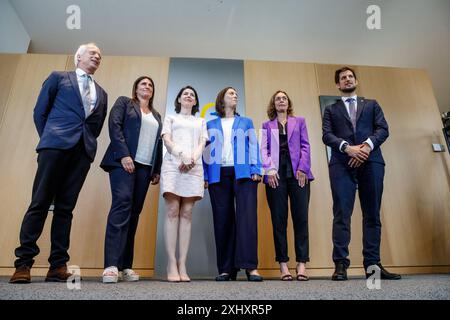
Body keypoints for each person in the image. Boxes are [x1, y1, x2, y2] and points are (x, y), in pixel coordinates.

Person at [10, 43, 108, 283]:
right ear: (79, 57)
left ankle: (57, 265)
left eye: (100, 55)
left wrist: (86, 146)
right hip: (54, 147)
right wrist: (50, 139)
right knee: (40, 203)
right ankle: (23, 264)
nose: (97, 56)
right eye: (92, 52)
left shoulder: (103, 93)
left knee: (65, 209)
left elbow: (96, 126)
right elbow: (39, 112)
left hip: (82, 153)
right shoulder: (58, 77)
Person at [322, 66, 401, 281]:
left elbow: (383, 129)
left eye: (350, 77)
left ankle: (372, 267)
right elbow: (327, 135)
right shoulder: (330, 109)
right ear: (338, 85)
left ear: (355, 81)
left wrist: (365, 147)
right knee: (341, 215)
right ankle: (340, 266)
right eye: (343, 78)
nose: (347, 80)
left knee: (372, 215)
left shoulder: (372, 105)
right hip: (341, 164)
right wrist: (348, 148)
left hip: (371, 162)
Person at [100, 76, 162, 283]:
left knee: (134, 213)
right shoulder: (124, 103)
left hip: (145, 167)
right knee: (122, 205)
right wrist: (124, 154)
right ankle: (111, 265)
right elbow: (114, 126)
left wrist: (156, 169)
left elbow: (157, 144)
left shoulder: (156, 115)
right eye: (143, 83)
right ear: (135, 88)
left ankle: (125, 265)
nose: (147, 86)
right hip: (123, 162)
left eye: (150, 85)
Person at [203, 87, 263, 282]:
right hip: (218, 175)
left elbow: (253, 145)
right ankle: (226, 269)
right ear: (221, 99)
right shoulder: (210, 123)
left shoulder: (246, 122)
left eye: (236, 94)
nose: (235, 96)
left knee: (247, 220)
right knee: (222, 220)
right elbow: (205, 151)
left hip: (244, 173)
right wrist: (205, 175)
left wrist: (256, 169)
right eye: (231, 93)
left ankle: (250, 267)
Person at [261, 90, 314, 281]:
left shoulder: (299, 121)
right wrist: (269, 170)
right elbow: (263, 150)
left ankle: (301, 264)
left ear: (288, 102)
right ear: (273, 104)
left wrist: (303, 169)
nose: (281, 100)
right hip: (276, 176)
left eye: (284, 98)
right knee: (279, 220)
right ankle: (283, 265)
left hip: (298, 174)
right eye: (277, 99)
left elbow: (306, 146)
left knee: (301, 219)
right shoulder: (266, 125)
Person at [160, 86, 207, 282]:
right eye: (185, 93)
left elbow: (202, 143)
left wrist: (192, 159)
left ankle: (182, 263)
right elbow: (167, 140)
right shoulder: (171, 118)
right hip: (173, 165)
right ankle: (171, 263)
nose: (188, 96)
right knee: (172, 211)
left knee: (187, 213)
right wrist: (182, 155)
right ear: (179, 98)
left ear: (195, 102)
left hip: (193, 168)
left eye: (192, 95)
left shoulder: (201, 121)